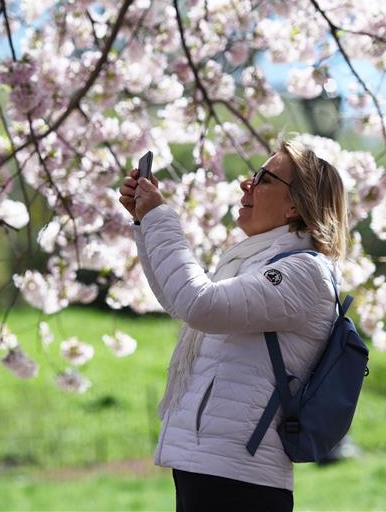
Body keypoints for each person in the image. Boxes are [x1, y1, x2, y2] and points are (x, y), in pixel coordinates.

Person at [118, 139, 349, 512]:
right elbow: (180, 300)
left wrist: (161, 217)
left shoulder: (304, 272)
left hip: (240, 479)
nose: (247, 184)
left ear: (295, 205)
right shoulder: (260, 263)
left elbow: (200, 304)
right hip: (214, 467)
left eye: (264, 178)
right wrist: (145, 223)